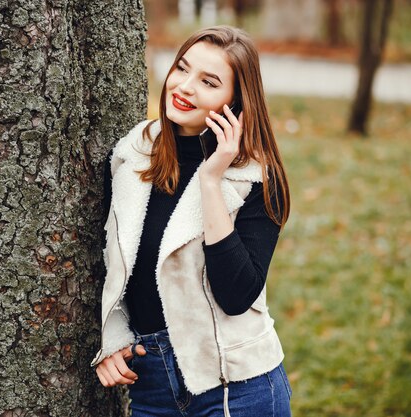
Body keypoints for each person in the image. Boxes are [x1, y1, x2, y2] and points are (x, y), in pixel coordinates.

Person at [90, 25, 292, 417]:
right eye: (182, 69)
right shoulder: (133, 155)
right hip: (150, 383)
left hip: (236, 387)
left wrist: (212, 181)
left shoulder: (257, 181)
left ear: (236, 102)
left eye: (208, 82)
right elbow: (113, 261)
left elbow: (236, 295)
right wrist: (113, 337)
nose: (184, 87)